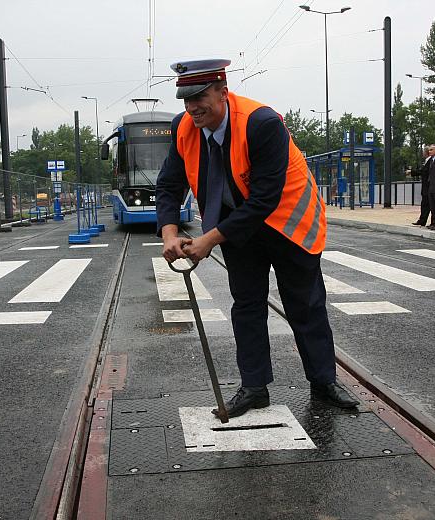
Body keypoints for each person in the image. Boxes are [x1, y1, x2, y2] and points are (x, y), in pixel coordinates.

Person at [156, 59, 358, 419]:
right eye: (186, 99)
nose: (192, 107)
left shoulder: (262, 123)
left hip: (289, 223)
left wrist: (208, 240)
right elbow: (170, 184)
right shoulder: (183, 127)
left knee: (305, 306)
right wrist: (170, 231)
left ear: (223, 90)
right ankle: (254, 387)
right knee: (246, 304)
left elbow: (265, 198)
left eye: (200, 96)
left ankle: (324, 382)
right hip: (237, 225)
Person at [411, 147, 431, 226]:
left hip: (428, 187)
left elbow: (423, 172)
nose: (422, 153)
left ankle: (424, 220)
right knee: (424, 204)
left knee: (427, 205)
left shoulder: (430, 161)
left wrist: (412, 172)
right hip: (426, 187)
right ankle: (422, 220)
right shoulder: (427, 161)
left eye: (423, 152)